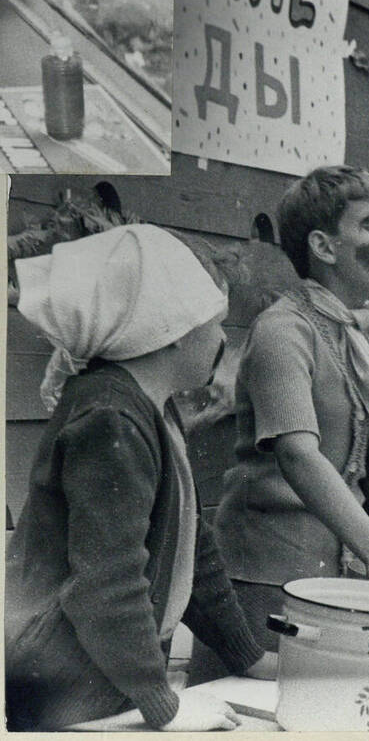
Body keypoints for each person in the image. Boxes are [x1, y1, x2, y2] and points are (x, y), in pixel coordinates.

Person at [6, 225, 272, 731]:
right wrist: (162, 704)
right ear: (170, 329)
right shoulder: (112, 418)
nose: (222, 339)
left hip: (100, 682)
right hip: (60, 690)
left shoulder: (152, 409)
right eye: (215, 323)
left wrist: (246, 655)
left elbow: (193, 552)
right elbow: (106, 582)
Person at [210, 166, 369, 653]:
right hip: (267, 574)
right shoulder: (284, 330)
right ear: (324, 248)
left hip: (336, 570)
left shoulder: (367, 334)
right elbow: (299, 455)